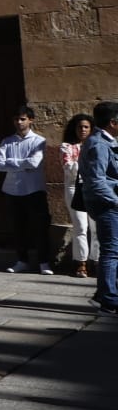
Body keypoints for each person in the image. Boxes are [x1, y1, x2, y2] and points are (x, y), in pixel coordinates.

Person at [0, 106, 51, 274]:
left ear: (31, 120)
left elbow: (35, 162)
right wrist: (23, 164)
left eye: (22, 119)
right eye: (16, 119)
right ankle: (22, 260)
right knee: (18, 227)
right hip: (12, 190)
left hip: (34, 189)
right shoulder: (7, 141)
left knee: (39, 227)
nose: (19, 122)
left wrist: (12, 163)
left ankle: (44, 262)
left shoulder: (39, 141)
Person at [81, 102, 118, 315]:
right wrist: (115, 200)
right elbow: (97, 181)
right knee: (111, 252)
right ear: (113, 122)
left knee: (114, 250)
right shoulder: (99, 144)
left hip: (107, 203)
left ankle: (104, 294)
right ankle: (108, 301)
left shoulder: (105, 142)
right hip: (106, 205)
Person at [62, 114, 97, 279]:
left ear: (91, 129)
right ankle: (81, 262)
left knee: (96, 227)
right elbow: (70, 170)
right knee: (80, 227)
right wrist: (88, 162)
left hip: (94, 188)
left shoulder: (97, 145)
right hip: (74, 188)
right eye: (79, 127)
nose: (82, 130)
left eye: (86, 127)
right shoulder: (67, 147)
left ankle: (95, 261)